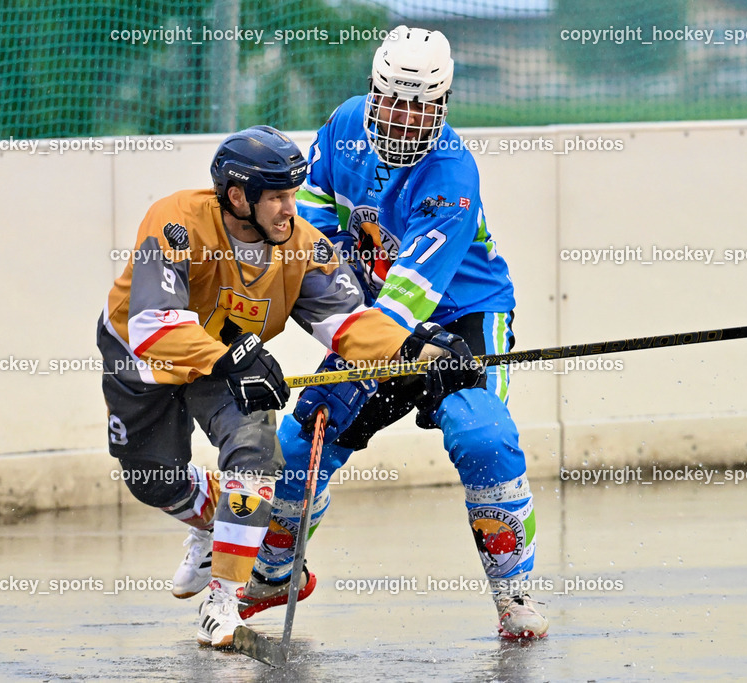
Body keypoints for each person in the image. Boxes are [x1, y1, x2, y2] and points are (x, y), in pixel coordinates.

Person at [97, 124, 481, 649]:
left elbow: (350, 325)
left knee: (254, 459)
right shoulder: (176, 220)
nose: (290, 208)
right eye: (277, 197)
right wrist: (228, 356)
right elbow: (149, 324)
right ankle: (213, 517)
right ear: (237, 197)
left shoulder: (304, 247)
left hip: (233, 365)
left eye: (293, 194)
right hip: (147, 357)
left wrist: (420, 350)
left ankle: (224, 599)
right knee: (151, 480)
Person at [229, 26, 549, 640]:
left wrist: (384, 335)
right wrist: (329, 293)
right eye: (392, 102)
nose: (403, 121)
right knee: (301, 444)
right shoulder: (344, 125)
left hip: (463, 316)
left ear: (444, 107)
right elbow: (311, 216)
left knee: (481, 434)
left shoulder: (452, 176)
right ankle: (277, 572)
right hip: (377, 314)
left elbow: (412, 294)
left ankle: (513, 593)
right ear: (372, 94)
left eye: (420, 107)